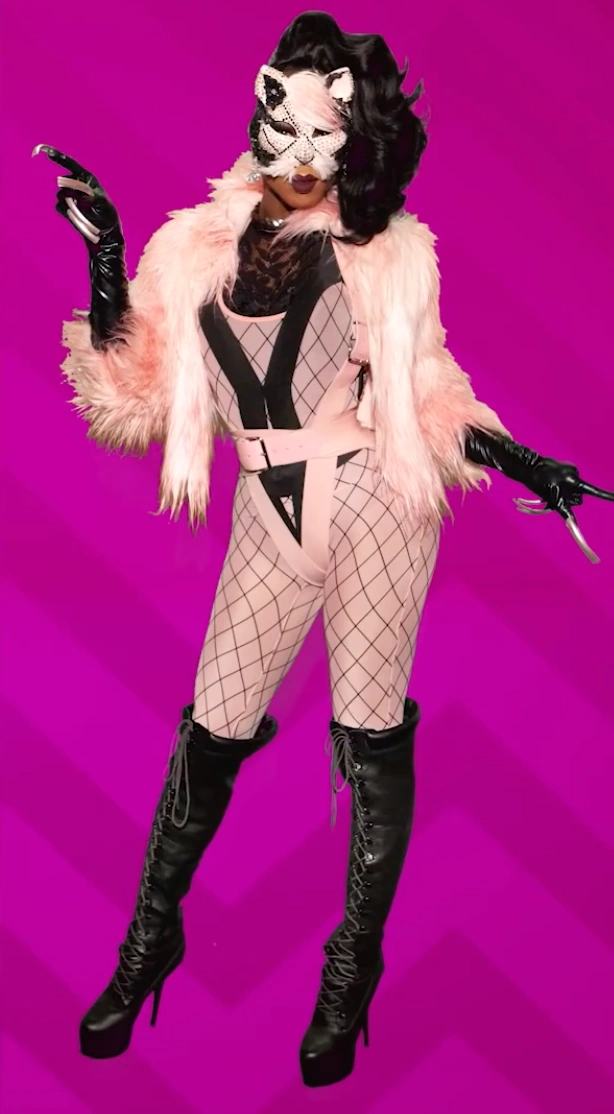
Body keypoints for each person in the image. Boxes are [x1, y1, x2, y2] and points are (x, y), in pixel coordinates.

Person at [35, 9, 612, 1090]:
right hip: (268, 509)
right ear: (260, 110)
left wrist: (521, 459)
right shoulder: (191, 248)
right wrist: (106, 257)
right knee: (211, 730)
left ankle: (350, 969)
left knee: (368, 739)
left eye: (324, 136)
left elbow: (426, 392)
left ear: (351, 135)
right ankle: (152, 938)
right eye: (286, 130)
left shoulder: (386, 254)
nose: (302, 157)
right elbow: (133, 392)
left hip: (374, 501)